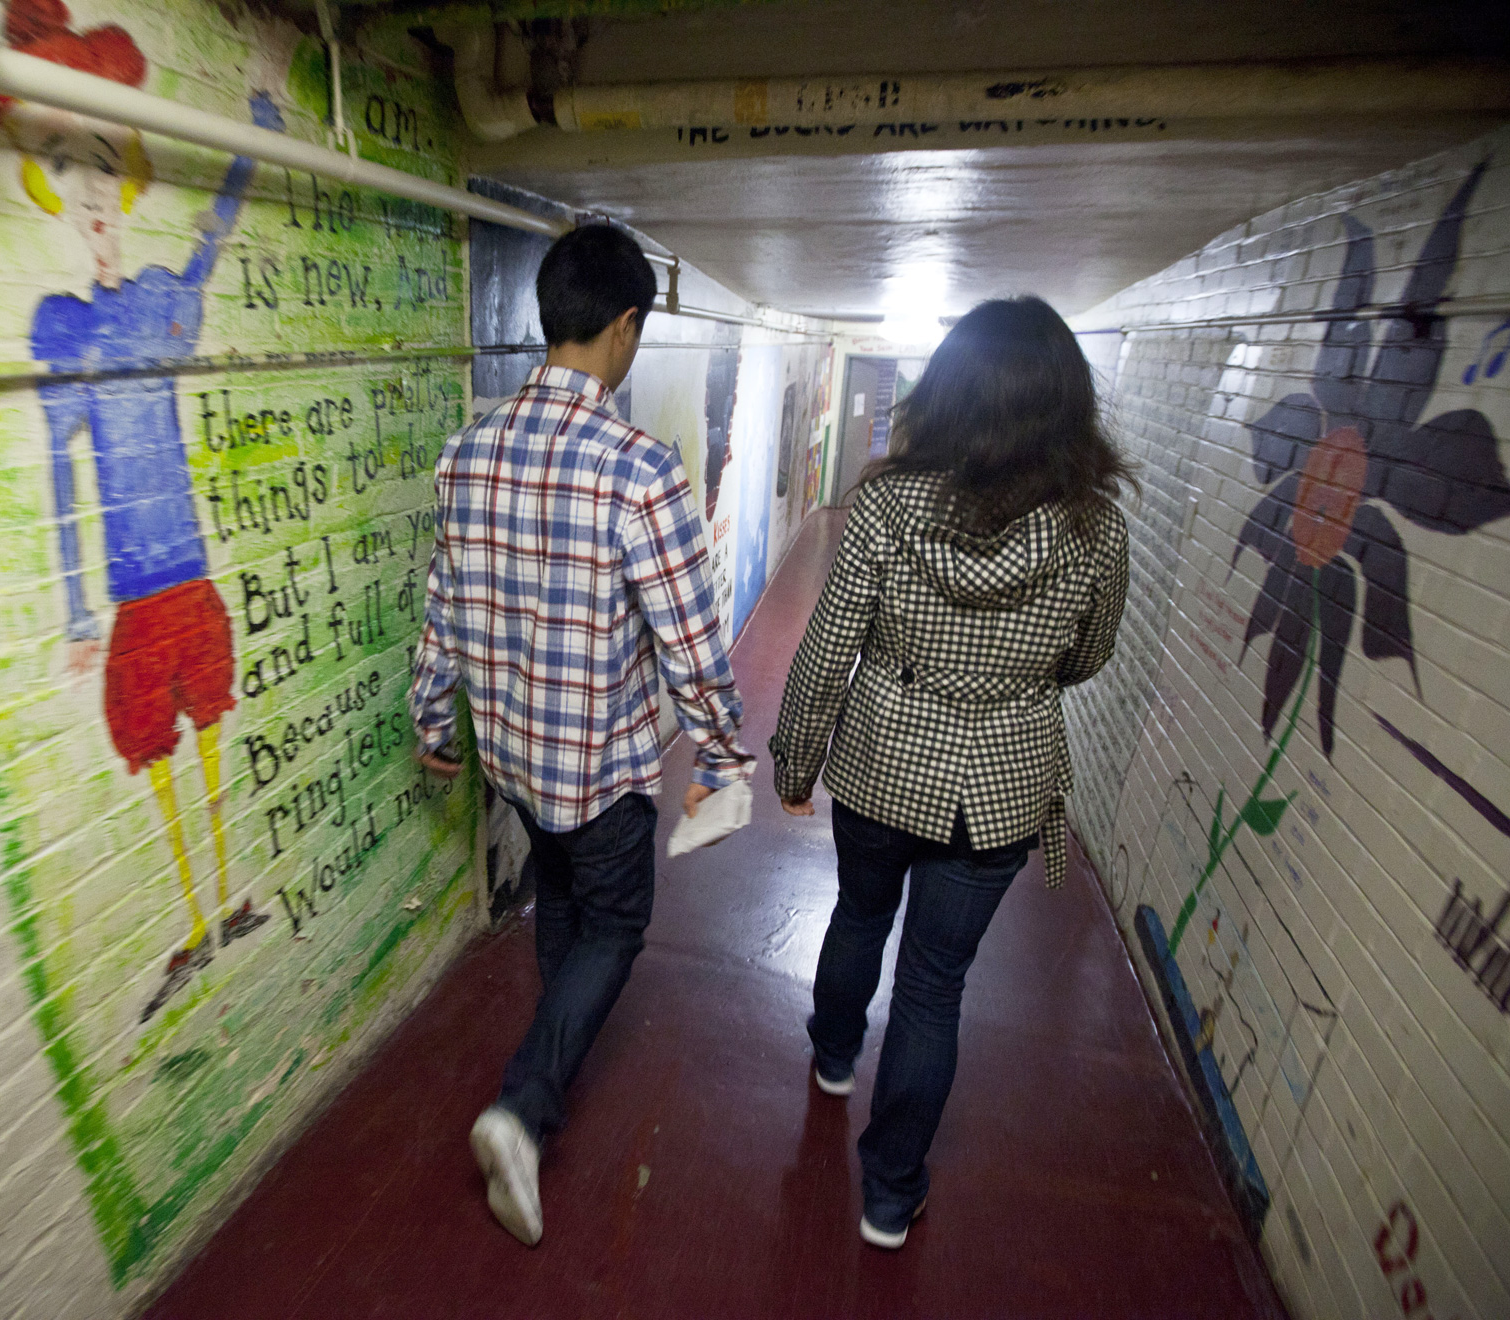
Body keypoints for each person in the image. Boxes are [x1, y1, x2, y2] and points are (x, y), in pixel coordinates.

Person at [409, 224, 752, 1246]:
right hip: (599, 771)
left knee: (557, 895)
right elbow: (691, 639)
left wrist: (434, 714)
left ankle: (546, 1061)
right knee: (614, 922)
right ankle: (523, 1107)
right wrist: (726, 756)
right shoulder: (639, 469)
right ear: (623, 327)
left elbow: (443, 603)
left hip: (514, 758)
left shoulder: (465, 455)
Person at [768, 296, 1133, 1249]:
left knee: (857, 914)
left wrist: (797, 761)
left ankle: (834, 1057)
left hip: (885, 766)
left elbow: (825, 648)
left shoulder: (888, 502)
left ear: (949, 393)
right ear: (1068, 405)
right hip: (1003, 788)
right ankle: (889, 1197)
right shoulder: (1096, 529)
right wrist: (1010, 681)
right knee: (934, 987)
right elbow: (1090, 654)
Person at [0, 0, 284, 1023]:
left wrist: (265, 116)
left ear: (130, 173)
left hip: (189, 575)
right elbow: (61, 481)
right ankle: (194, 920)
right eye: (68, 167)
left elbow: (215, 238)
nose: (93, 190)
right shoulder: (59, 327)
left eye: (105, 162)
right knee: (154, 755)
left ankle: (227, 904)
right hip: (135, 597)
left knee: (209, 742)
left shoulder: (158, 301)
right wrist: (71, 612)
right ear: (48, 187)